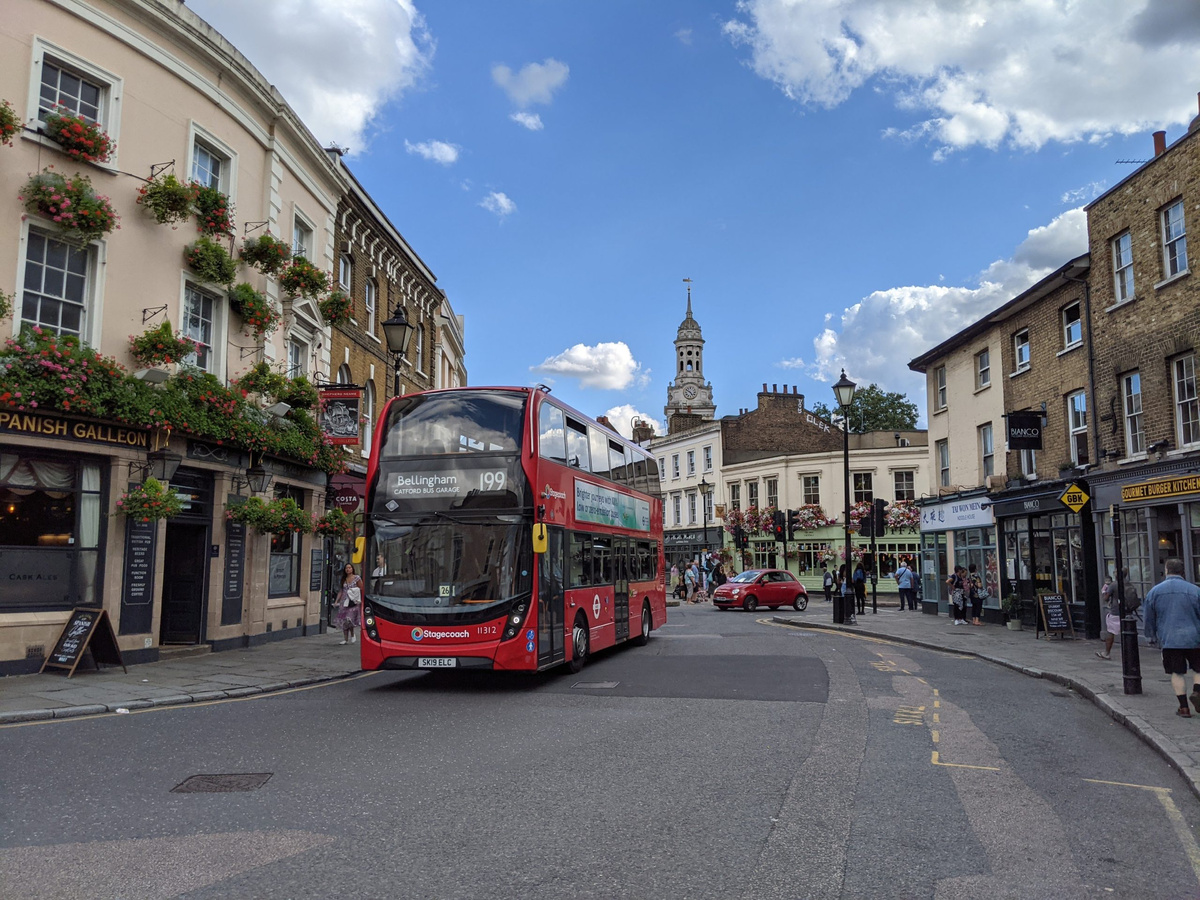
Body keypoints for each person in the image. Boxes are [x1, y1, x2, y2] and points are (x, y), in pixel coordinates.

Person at [1142, 558, 1200, 717]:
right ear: (1183, 572)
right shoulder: (1194, 590)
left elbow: (1149, 618)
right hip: (1195, 637)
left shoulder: (1155, 591)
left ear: (1167, 570)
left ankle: (1184, 708)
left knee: (1177, 672)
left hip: (1170, 639)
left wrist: (1150, 636)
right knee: (1198, 668)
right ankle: (1197, 691)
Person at [335, 563, 364, 645]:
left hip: (353, 601)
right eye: (346, 568)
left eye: (349, 568)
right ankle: (345, 639)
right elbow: (341, 591)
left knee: (349, 619)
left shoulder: (357, 578)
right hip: (344, 602)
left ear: (352, 569)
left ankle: (352, 634)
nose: (348, 569)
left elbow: (361, 588)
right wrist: (337, 601)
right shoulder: (343, 579)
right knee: (344, 621)